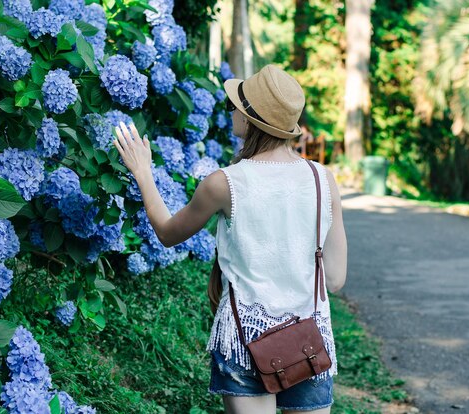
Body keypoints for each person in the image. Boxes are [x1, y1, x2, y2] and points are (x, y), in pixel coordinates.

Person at [113, 64, 348, 414]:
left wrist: (143, 172)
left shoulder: (224, 183)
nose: (231, 109)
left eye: (237, 104)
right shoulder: (322, 179)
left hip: (244, 342)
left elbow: (166, 232)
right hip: (308, 345)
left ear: (251, 120)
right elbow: (336, 279)